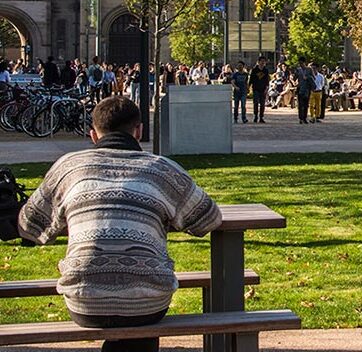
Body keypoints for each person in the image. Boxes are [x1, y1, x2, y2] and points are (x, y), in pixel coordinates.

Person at [18, 96, 222, 352]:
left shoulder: (69, 167)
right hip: (148, 303)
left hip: (84, 300)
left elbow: (29, 225)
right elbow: (209, 220)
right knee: (141, 297)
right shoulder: (162, 170)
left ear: (93, 135)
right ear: (139, 131)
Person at [250, 56, 270, 123]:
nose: (262, 62)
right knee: (255, 103)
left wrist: (266, 88)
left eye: (264, 61)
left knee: (262, 104)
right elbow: (251, 79)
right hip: (256, 88)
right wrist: (249, 86)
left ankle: (261, 117)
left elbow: (267, 80)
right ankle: (255, 116)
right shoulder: (254, 70)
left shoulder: (266, 70)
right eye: (261, 61)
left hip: (263, 89)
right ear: (258, 62)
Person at [295, 57, 314, 124]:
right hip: (300, 88)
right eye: (299, 63)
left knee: (306, 104)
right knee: (300, 104)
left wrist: (307, 77)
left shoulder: (309, 69)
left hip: (307, 88)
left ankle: (305, 118)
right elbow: (295, 78)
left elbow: (313, 78)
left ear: (304, 63)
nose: (300, 65)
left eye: (302, 63)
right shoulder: (298, 70)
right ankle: (300, 118)